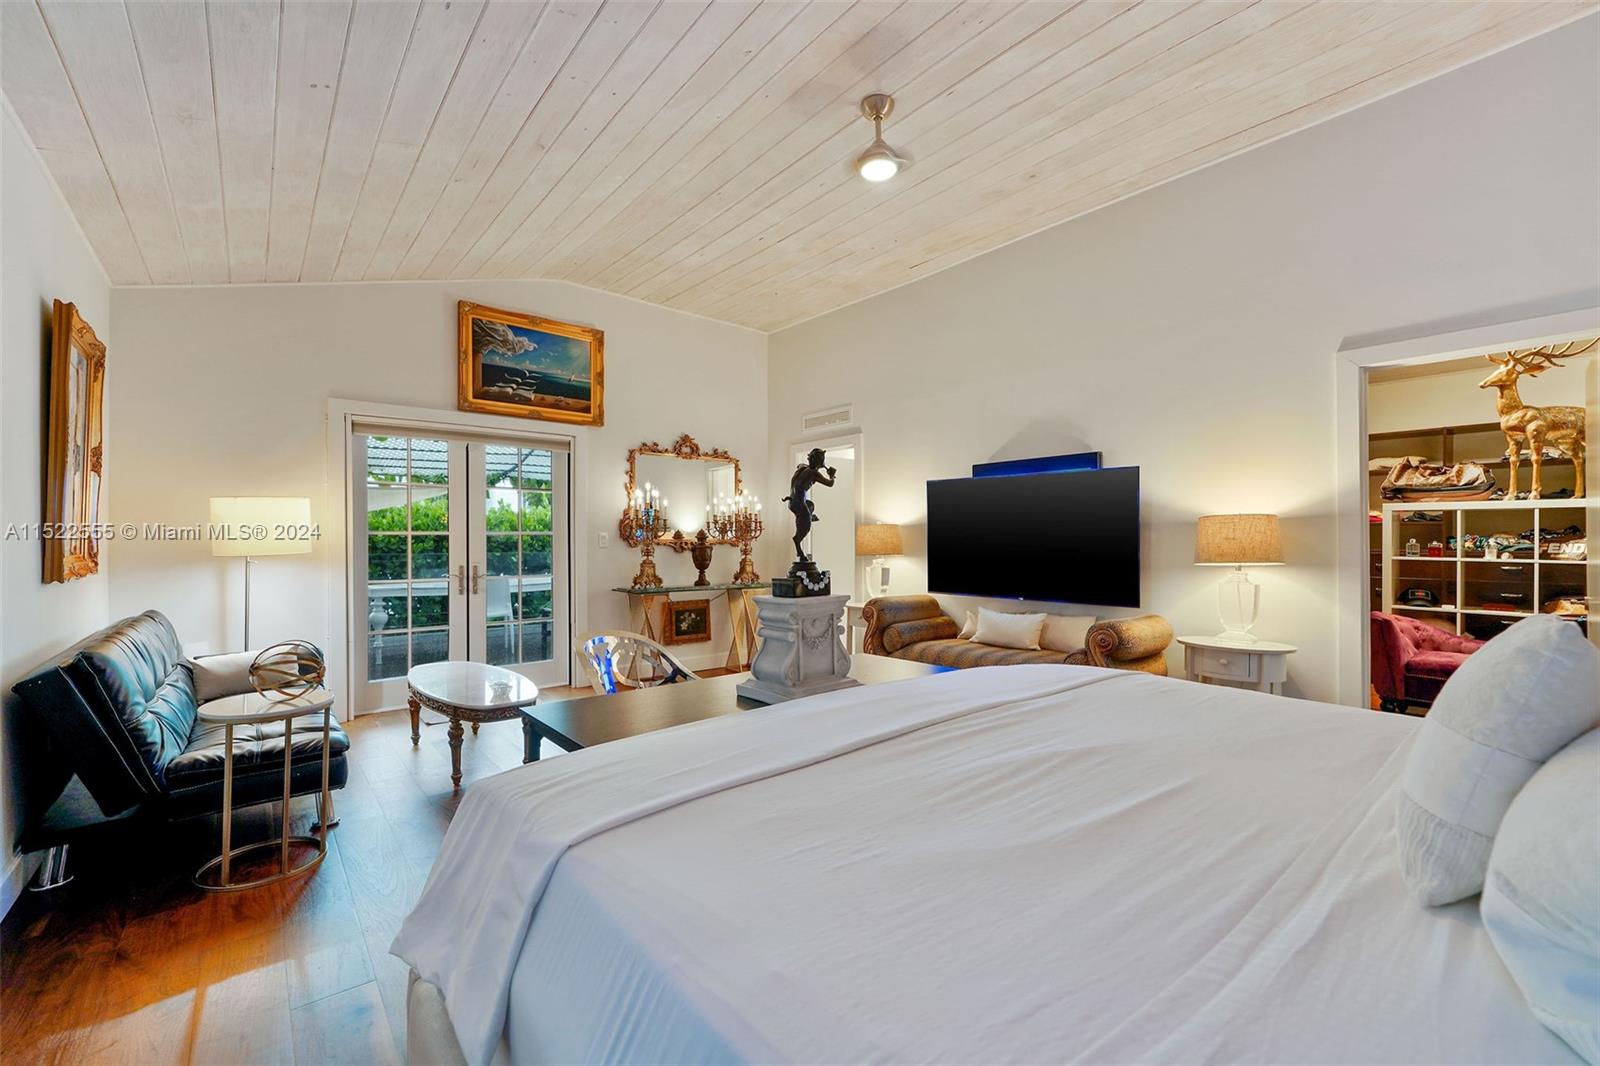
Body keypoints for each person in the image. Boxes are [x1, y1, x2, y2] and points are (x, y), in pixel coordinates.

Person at [783, 447, 836, 562]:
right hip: (799, 502)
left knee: (810, 505)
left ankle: (808, 515)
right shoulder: (814, 474)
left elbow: (799, 465)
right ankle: (799, 547)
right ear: (821, 462)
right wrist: (831, 475)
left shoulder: (802, 467)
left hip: (792, 501)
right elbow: (830, 483)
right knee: (806, 528)